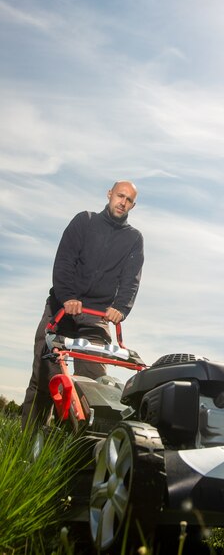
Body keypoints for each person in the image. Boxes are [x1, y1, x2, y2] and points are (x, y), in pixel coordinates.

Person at [21, 180, 144, 429]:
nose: (123, 202)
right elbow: (64, 261)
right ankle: (28, 441)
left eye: (129, 200)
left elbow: (131, 279)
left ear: (133, 205)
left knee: (93, 384)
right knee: (46, 377)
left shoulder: (133, 239)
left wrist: (121, 308)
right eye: (120, 196)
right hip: (61, 310)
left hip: (96, 315)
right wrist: (68, 297)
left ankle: (79, 446)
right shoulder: (84, 221)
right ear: (110, 194)